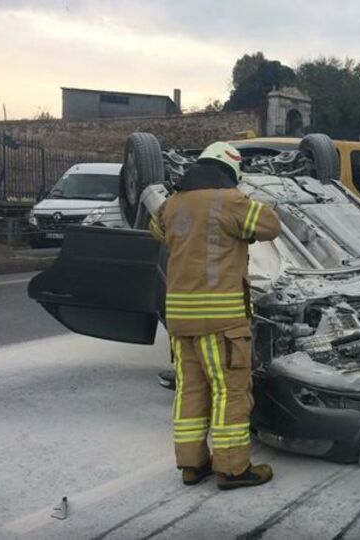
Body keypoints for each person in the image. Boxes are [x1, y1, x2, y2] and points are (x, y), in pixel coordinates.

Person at [149, 141, 282, 490]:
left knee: (191, 391)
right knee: (230, 392)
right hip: (222, 320)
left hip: (180, 319)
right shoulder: (231, 201)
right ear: (230, 171)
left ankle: (192, 465)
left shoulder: (172, 204)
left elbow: (157, 230)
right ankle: (233, 469)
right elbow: (270, 226)